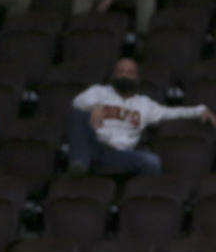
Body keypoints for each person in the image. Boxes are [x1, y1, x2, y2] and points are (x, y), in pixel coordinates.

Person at [69, 57, 216, 177]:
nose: (125, 75)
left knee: (151, 161)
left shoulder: (144, 104)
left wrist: (200, 110)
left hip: (123, 155)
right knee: (78, 113)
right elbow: (77, 102)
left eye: (129, 72)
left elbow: (171, 112)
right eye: (120, 72)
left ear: (137, 78)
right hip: (96, 149)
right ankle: (79, 164)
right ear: (113, 76)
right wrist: (93, 107)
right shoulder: (98, 91)